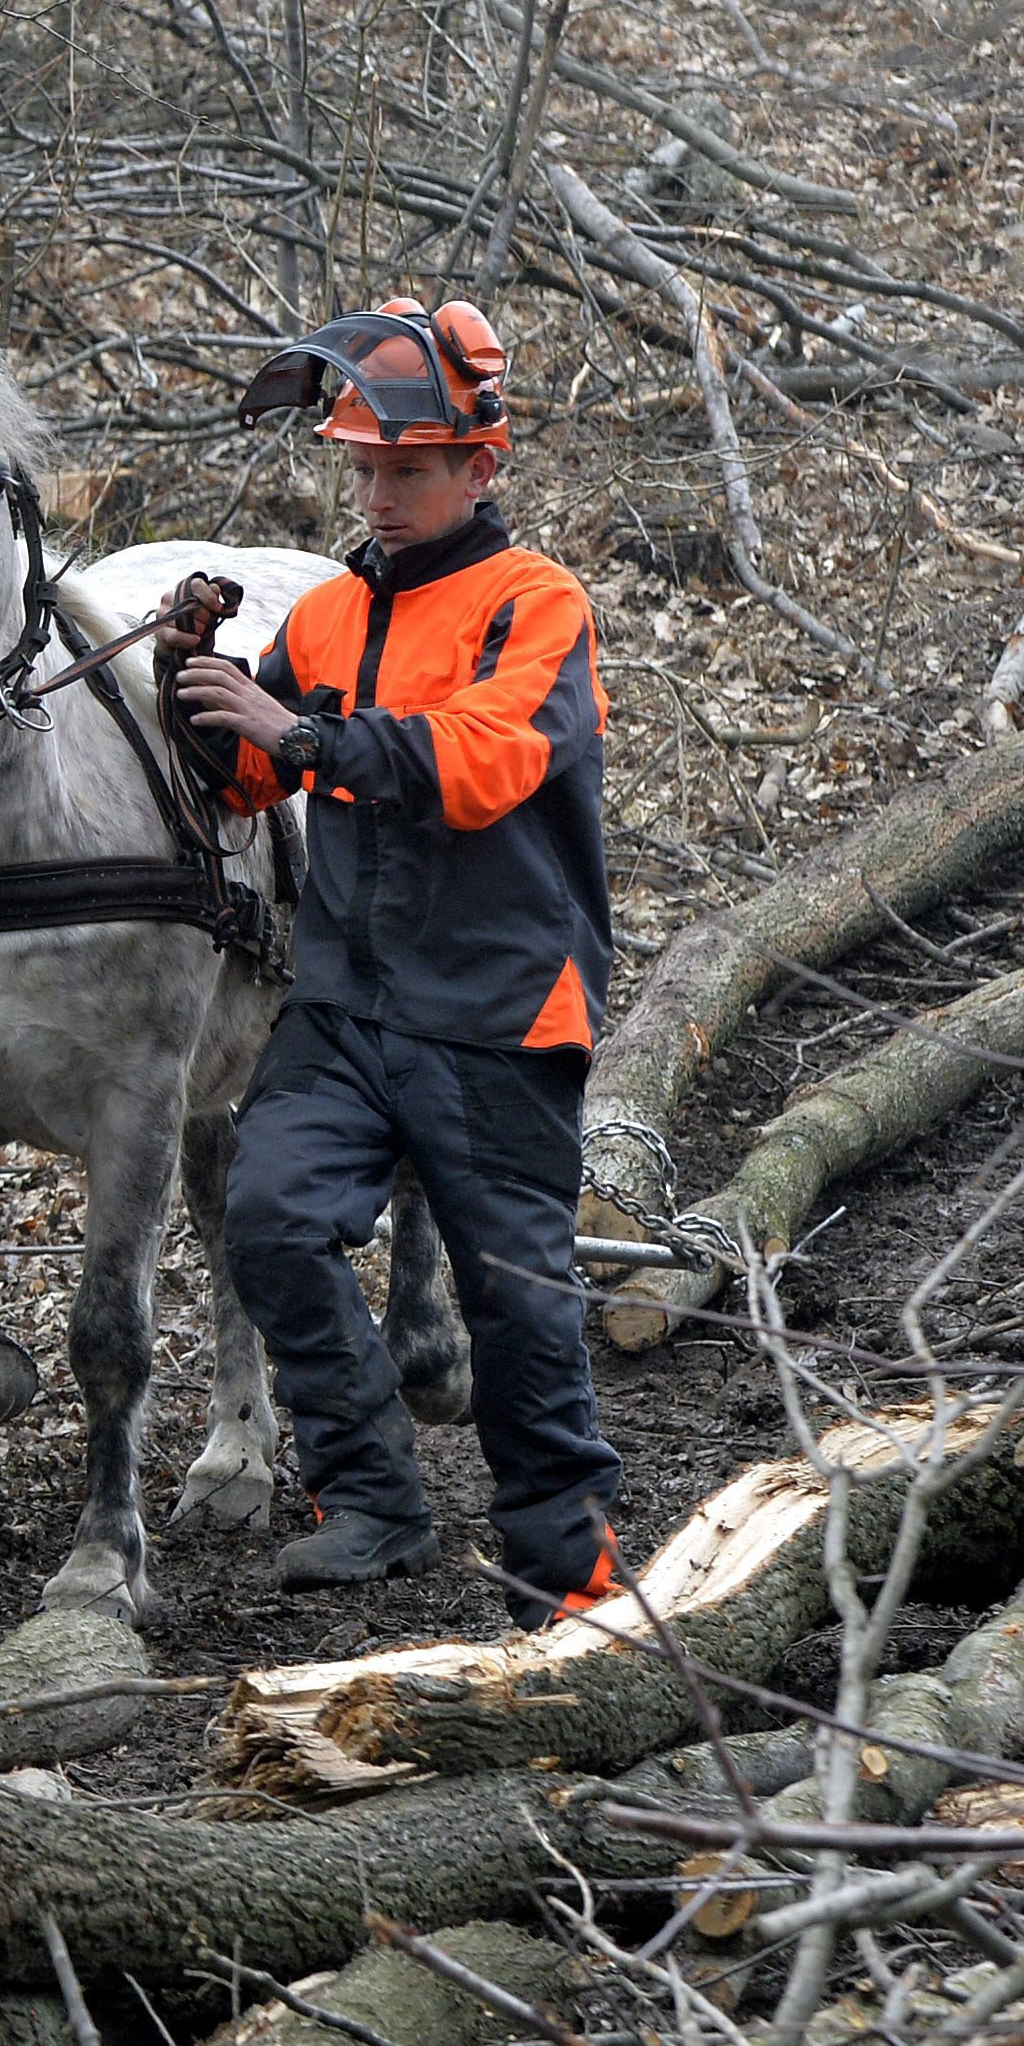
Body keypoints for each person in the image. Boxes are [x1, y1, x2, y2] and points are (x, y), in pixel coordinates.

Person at [165, 296, 623, 1625]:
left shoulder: (535, 605)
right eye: (364, 468)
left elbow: (480, 765)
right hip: (348, 1002)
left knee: (516, 1302)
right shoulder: (326, 616)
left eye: (407, 470)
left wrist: (301, 741)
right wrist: (197, 694)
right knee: (270, 1220)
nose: (379, 494)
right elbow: (250, 778)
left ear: (480, 464)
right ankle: (370, 1495)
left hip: (496, 1005)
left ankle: (567, 1575)